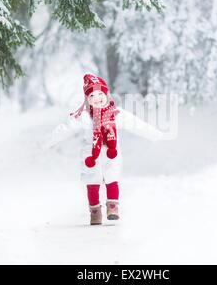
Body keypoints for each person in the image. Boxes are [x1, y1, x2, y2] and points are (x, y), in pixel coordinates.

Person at [44, 73, 165, 225]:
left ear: (106, 94)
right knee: (92, 183)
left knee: (112, 179)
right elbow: (65, 129)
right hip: (91, 155)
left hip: (110, 152)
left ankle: (112, 208)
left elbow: (135, 123)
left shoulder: (116, 113)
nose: (97, 98)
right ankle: (95, 213)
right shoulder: (83, 115)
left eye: (100, 93)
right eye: (92, 95)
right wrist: (47, 142)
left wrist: (155, 135)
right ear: (87, 100)